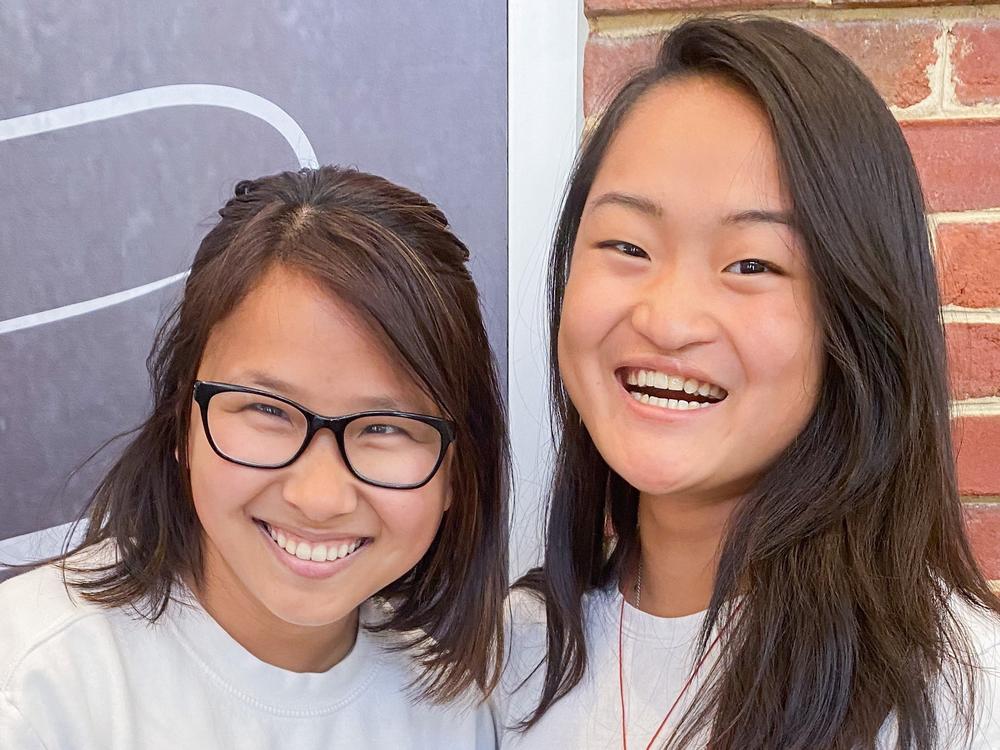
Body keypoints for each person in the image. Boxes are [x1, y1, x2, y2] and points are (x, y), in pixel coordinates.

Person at [497, 16, 1000, 750]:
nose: (667, 320)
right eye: (627, 246)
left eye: (752, 265)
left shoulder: (961, 690)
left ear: (855, 318)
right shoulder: (508, 659)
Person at [0, 166, 509, 749]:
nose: (318, 497)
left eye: (385, 427)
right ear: (179, 420)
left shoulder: (457, 709)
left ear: (458, 471)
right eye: (268, 411)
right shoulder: (33, 685)